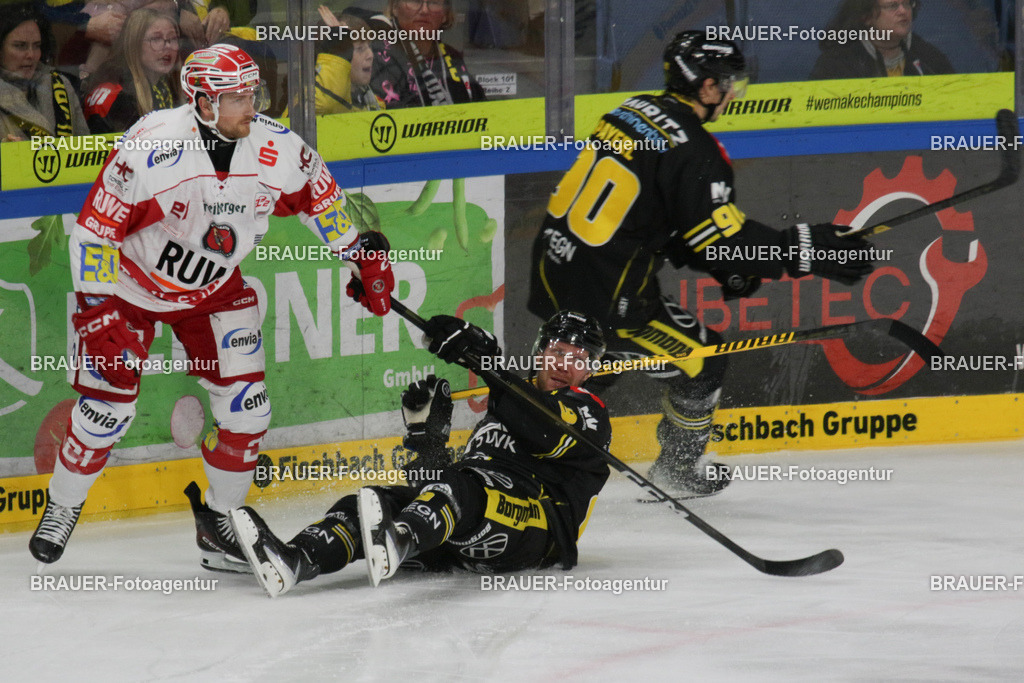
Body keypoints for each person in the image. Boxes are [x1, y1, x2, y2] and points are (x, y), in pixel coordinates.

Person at [28, 43, 396, 570]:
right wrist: (95, 308)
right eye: (237, 97)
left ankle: (221, 522)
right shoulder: (151, 148)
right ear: (202, 102)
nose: (252, 105)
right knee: (104, 411)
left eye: (253, 93)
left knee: (249, 408)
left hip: (213, 291)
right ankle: (63, 505)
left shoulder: (273, 147)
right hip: (130, 289)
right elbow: (93, 233)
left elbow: (319, 195)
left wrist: (359, 256)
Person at [527, 31, 876, 497]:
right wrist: (806, 248)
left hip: (556, 268)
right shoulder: (694, 150)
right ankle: (675, 469)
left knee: (564, 372)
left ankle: (511, 454)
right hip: (611, 295)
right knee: (703, 362)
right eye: (729, 83)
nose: (732, 94)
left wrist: (717, 260)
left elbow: (655, 217)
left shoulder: (630, 110)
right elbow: (724, 243)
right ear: (707, 87)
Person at [228, 310, 612, 597]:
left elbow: (544, 427)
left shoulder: (589, 411)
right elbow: (437, 485)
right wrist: (426, 437)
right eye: (559, 351)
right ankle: (295, 560)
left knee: (463, 489)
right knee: (373, 502)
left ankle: (398, 539)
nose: (565, 364)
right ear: (540, 351)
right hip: (470, 528)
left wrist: (489, 364)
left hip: (535, 531)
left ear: (590, 371)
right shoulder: (507, 405)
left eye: (579, 359)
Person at [350, 0, 486, 108]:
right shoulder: (377, 56)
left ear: (445, 14)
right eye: (415, 1)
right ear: (395, 8)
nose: (425, 10)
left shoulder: (453, 57)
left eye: (433, 2)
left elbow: (480, 111)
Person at [82, 8, 183, 133]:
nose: (167, 46)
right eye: (156, 39)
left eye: (172, 39)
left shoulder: (171, 87)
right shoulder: (117, 95)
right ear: (134, 43)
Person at [0, 4, 88, 140]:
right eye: (20, 46)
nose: (31, 55)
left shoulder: (59, 85)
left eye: (36, 46)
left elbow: (85, 150)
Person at [810, 0, 954, 79]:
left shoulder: (929, 59)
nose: (903, 11)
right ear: (866, 16)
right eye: (893, 6)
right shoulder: (837, 64)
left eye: (907, 3)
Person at [313, 8, 382, 113]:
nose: (370, 55)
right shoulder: (307, 100)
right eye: (360, 49)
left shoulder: (372, 102)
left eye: (370, 46)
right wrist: (338, 42)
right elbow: (325, 104)